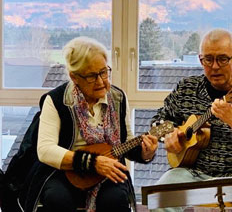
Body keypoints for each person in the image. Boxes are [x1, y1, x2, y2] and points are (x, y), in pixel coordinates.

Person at [18, 36, 158, 212]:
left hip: (108, 171)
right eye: (92, 76)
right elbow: (45, 150)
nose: (101, 81)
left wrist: (145, 153)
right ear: (74, 77)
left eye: (104, 72)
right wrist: (92, 162)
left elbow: (125, 142)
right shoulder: (56, 100)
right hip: (62, 171)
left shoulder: (118, 98)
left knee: (115, 200)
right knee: (57, 199)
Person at [150, 29, 232, 212]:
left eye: (222, 59)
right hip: (190, 173)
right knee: (158, 198)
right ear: (200, 60)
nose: (214, 66)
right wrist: (169, 134)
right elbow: (156, 125)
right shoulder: (186, 88)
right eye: (208, 59)